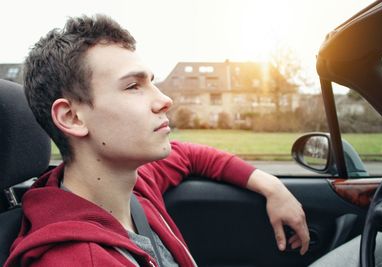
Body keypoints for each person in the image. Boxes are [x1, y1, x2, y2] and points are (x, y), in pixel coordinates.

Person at [5, 15, 309, 266]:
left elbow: (190, 156)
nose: (165, 100)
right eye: (134, 86)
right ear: (72, 117)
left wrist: (272, 186)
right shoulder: (78, 260)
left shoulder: (136, 183)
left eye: (153, 82)